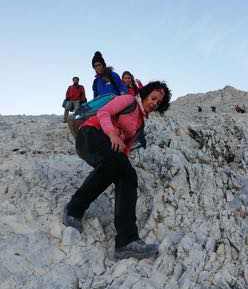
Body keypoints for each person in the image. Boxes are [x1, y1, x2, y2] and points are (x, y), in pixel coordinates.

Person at [63, 81, 171, 260]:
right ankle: (124, 238)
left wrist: (124, 166)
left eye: (159, 102)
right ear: (145, 94)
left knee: (124, 175)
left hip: (108, 150)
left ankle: (124, 242)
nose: (154, 103)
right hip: (90, 135)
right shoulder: (128, 100)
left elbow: (126, 149)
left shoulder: (140, 124)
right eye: (153, 98)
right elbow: (103, 112)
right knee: (122, 170)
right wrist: (112, 133)